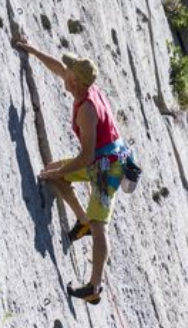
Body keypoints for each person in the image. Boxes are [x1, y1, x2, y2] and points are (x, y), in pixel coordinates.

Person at [12, 32, 135, 304]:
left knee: (100, 225)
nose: (63, 71)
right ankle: (82, 221)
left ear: (75, 81)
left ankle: (94, 286)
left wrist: (60, 171)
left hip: (108, 168)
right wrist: (31, 49)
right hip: (100, 159)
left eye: (69, 71)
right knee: (53, 172)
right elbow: (59, 66)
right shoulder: (86, 88)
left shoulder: (87, 110)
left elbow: (86, 156)